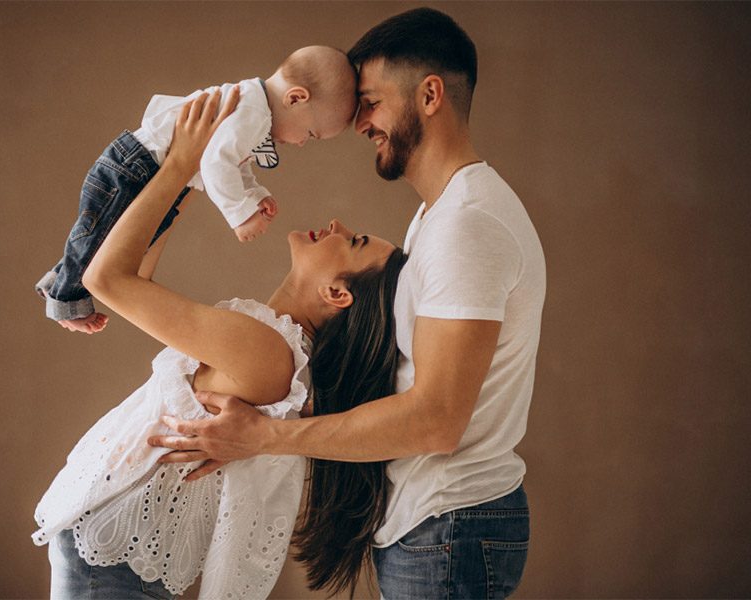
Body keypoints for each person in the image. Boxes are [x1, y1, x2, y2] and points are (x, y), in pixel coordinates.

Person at [150, 8, 547, 599]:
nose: (359, 123)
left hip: (449, 527)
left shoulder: (466, 225)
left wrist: (265, 437)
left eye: (372, 103)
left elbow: (437, 420)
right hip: (438, 527)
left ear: (430, 95)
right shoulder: (440, 217)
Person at [32, 87, 404, 599]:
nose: (340, 225)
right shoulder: (272, 345)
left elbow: (107, 279)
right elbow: (134, 273)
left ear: (337, 294)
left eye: (355, 241)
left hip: (111, 561)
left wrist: (180, 164)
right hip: (112, 554)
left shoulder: (267, 352)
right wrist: (190, 176)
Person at [35, 45, 357, 334]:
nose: (301, 143)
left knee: (110, 237)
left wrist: (255, 194)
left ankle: (59, 278)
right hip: (135, 166)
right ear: (296, 98)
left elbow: (233, 163)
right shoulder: (253, 114)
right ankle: (65, 299)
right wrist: (241, 214)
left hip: (150, 171)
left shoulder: (254, 110)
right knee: (100, 234)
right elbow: (215, 164)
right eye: (310, 134)